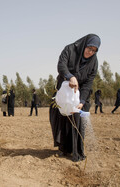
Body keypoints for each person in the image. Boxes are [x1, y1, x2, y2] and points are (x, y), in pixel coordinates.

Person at [50, 34, 101, 162]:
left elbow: (89, 82)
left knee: (78, 120)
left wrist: (82, 101)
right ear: (84, 44)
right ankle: (63, 148)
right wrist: (69, 76)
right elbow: (61, 65)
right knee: (62, 117)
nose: (91, 52)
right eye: (89, 48)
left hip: (81, 92)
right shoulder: (70, 49)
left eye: (94, 51)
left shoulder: (94, 62)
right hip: (64, 89)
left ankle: (77, 150)